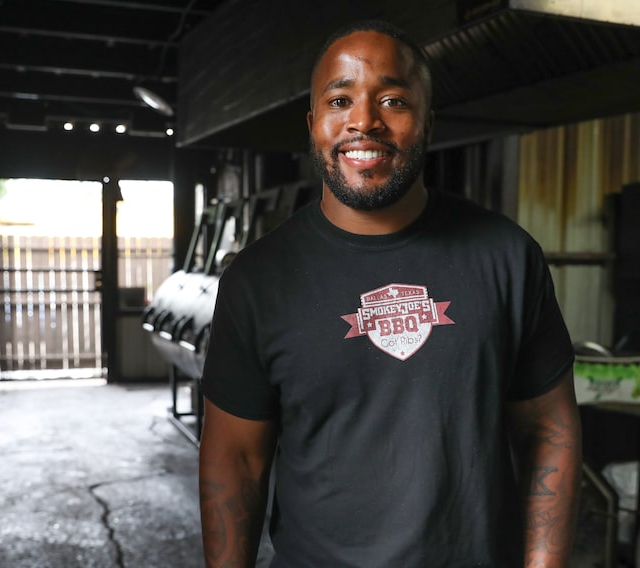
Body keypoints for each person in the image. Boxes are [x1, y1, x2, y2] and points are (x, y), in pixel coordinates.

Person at [198, 18, 582, 568]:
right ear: (313, 124)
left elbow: (550, 427)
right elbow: (235, 459)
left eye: (394, 100)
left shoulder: (507, 256)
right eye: (339, 100)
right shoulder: (258, 279)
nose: (363, 121)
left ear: (428, 122)